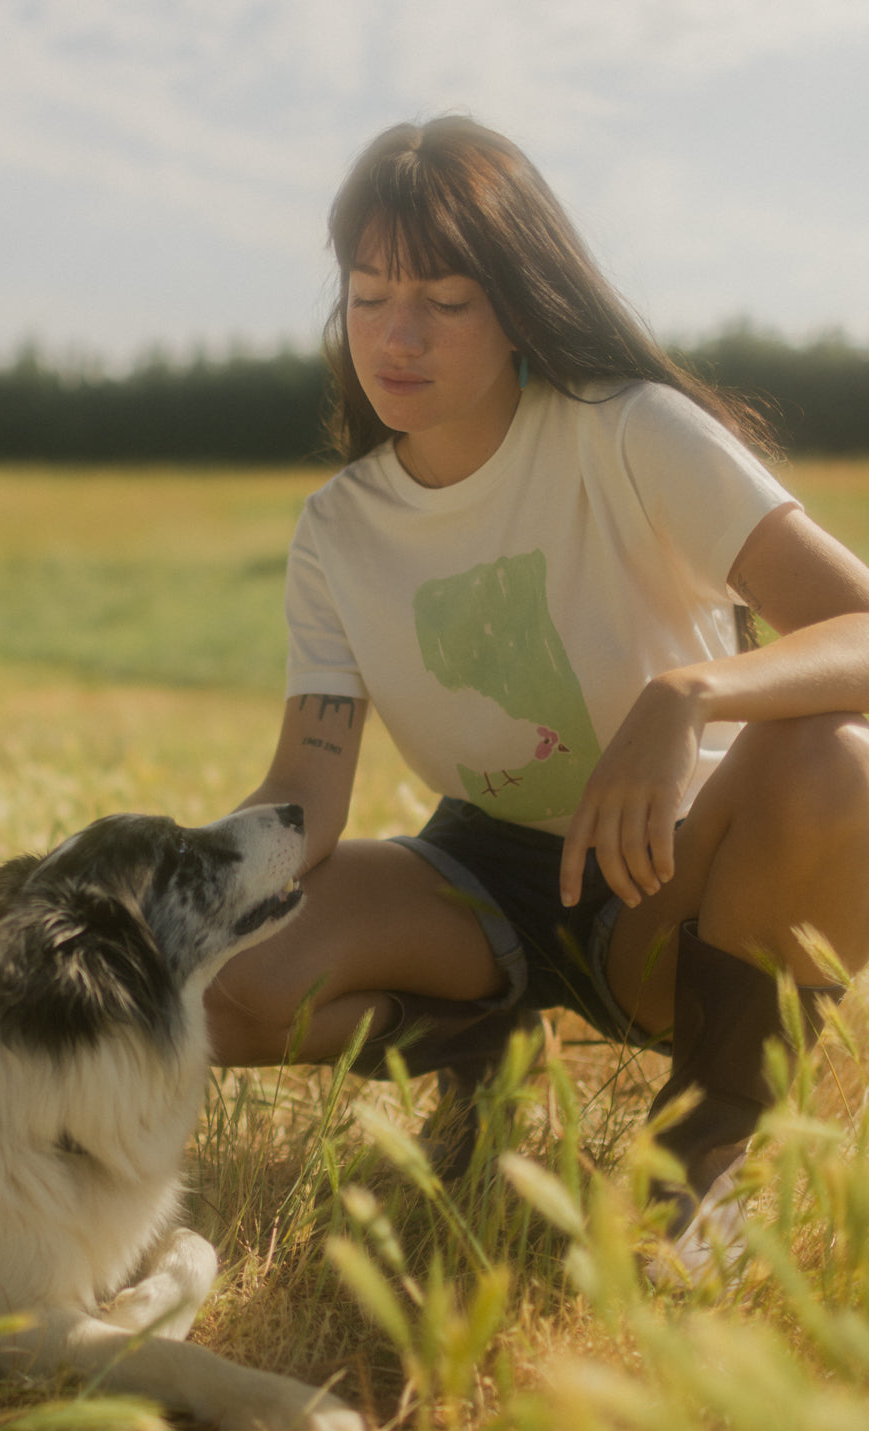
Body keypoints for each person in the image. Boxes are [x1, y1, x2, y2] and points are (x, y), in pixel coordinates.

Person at [205, 115, 869, 1267]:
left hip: (680, 874)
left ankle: (704, 1149)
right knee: (226, 983)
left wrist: (691, 692)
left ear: (517, 303)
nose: (397, 337)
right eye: (369, 296)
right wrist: (158, 888)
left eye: (444, 300)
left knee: (841, 757)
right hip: (480, 871)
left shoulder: (629, 434)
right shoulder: (338, 530)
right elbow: (304, 796)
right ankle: (483, 1063)